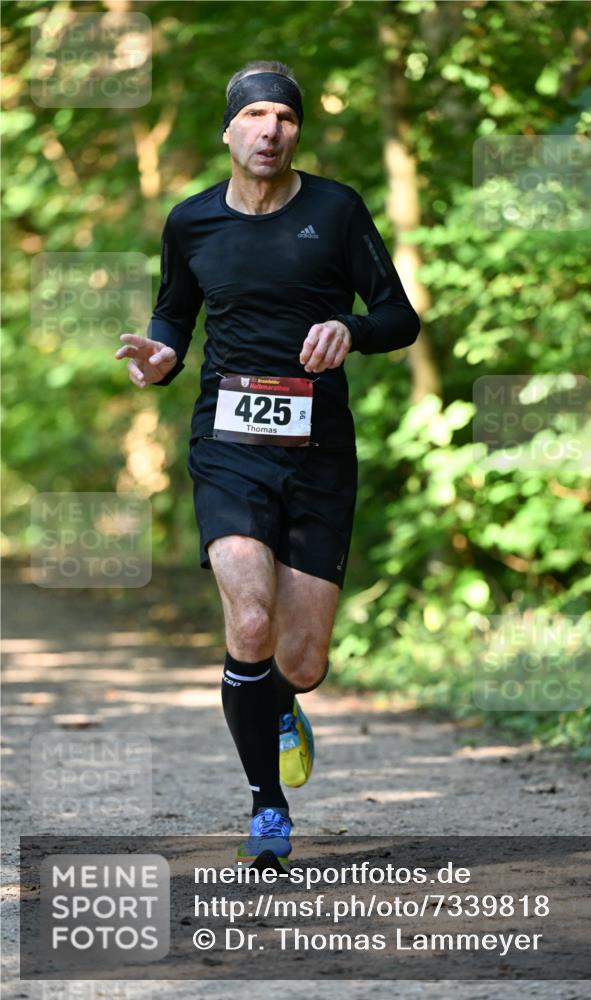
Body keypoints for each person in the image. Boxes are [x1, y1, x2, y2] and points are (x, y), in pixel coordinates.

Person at [115, 59, 420, 863]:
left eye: (283, 117)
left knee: (303, 660)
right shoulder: (191, 222)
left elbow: (399, 315)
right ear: (229, 129)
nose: (269, 130)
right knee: (249, 617)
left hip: (320, 451)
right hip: (230, 443)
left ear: (296, 132)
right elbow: (174, 315)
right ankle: (266, 806)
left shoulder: (335, 209)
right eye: (254, 116)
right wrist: (160, 357)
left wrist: (352, 329)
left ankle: (283, 703)